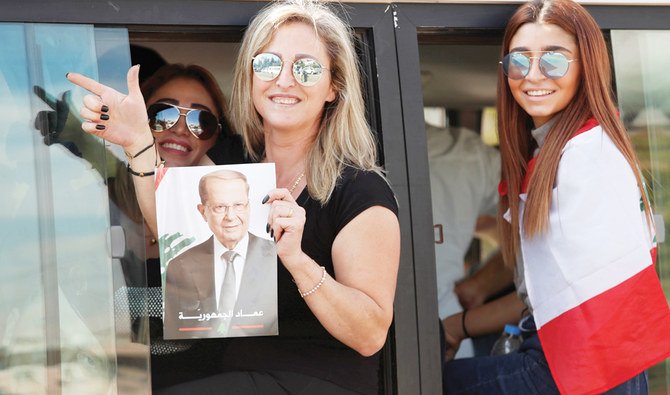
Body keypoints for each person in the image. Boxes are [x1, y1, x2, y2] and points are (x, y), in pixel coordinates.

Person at [66, 0, 401, 393]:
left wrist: (296, 260)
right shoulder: (232, 159)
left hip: (314, 381)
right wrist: (138, 141)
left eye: (306, 68)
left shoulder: (359, 189)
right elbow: (175, 232)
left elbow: (370, 334)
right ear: (252, 76)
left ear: (333, 87)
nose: (285, 80)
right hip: (234, 375)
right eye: (268, 64)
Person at [442, 1, 670, 394]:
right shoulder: (561, 151)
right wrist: (459, 326)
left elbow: (599, 311)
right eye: (519, 60)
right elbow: (554, 290)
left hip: (585, 367)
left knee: (416, 379)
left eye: (554, 60)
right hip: (577, 358)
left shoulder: (586, 158)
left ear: (587, 67)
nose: (533, 75)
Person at [163, 169, 277, 339]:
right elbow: (175, 334)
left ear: (248, 207)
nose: (230, 216)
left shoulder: (276, 256)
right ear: (203, 212)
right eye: (220, 207)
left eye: (238, 205)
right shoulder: (180, 266)